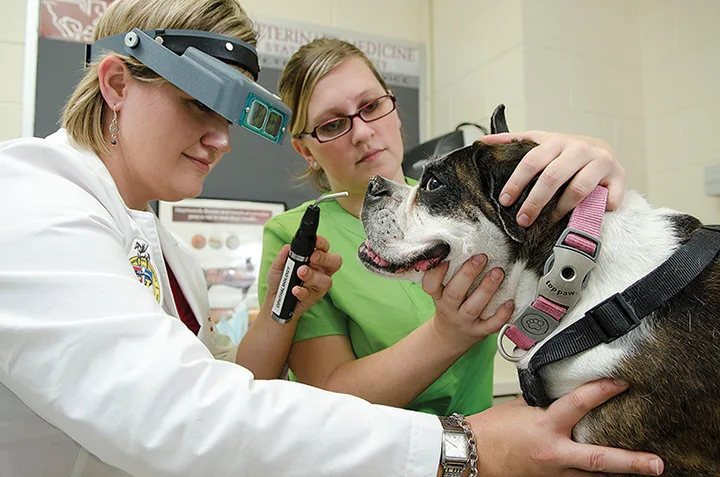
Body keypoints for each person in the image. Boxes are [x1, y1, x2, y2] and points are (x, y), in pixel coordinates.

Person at [0, 1, 664, 476]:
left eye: (231, 115)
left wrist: (592, 163)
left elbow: (215, 387)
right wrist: (461, 445)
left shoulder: (165, 250)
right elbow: (180, 414)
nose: (221, 140)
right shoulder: (30, 201)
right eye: (199, 105)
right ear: (118, 82)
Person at [258, 37, 629, 416]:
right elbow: (327, 400)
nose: (363, 132)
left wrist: (592, 159)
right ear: (305, 149)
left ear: (393, 106)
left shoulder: (471, 199)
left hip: (484, 451)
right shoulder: (295, 238)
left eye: (372, 106)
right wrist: (446, 335)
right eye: (333, 124)